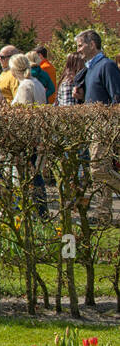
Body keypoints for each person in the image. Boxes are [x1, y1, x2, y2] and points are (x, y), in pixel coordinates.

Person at [73, 29, 120, 220]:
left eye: (80, 45)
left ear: (92, 44)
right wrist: (82, 97)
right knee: (99, 170)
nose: (78, 50)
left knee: (98, 170)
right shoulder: (91, 67)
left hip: (104, 126)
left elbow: (116, 96)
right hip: (94, 126)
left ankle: (103, 212)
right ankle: (103, 214)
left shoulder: (106, 65)